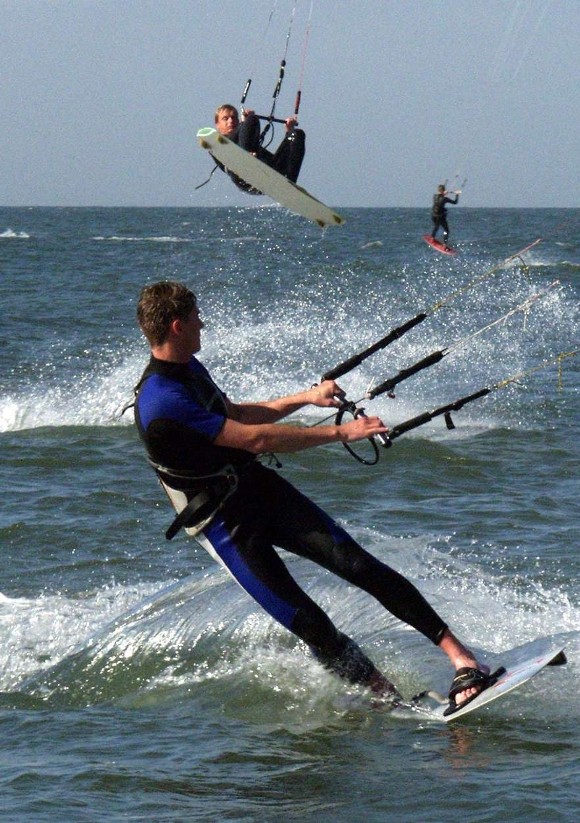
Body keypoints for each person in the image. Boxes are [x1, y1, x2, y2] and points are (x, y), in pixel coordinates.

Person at [134, 281, 499, 714]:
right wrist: (342, 432)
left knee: (356, 563)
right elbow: (253, 438)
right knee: (309, 624)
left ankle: (462, 660)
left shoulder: (189, 369)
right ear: (177, 326)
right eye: (196, 318)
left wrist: (307, 398)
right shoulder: (162, 400)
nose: (202, 324)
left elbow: (238, 415)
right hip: (223, 524)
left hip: (254, 489)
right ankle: (390, 700)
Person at [214, 103, 306, 193]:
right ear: (217, 124)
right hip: (244, 178)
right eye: (225, 119)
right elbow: (227, 142)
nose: (231, 121)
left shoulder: (249, 142)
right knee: (252, 119)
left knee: (297, 134)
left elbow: (274, 160)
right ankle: (247, 159)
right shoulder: (216, 144)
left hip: (265, 174)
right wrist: (244, 122)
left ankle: (290, 185)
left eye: (233, 118)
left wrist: (289, 132)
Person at [430, 184, 460, 248]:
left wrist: (443, 193)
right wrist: (457, 194)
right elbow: (455, 202)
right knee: (446, 230)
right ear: (443, 191)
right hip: (440, 217)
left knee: (436, 226)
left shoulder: (434, 196)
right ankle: (444, 244)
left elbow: (439, 197)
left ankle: (432, 237)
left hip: (433, 215)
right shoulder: (445, 199)